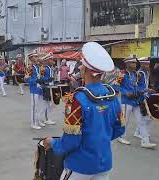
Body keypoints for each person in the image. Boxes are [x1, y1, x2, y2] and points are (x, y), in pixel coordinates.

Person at [43, 42, 125, 180]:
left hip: (80, 165)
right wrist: (98, 139)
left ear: (86, 71)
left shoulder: (78, 98)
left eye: (82, 65)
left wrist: (52, 143)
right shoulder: (111, 95)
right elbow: (119, 129)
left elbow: (72, 141)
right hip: (104, 163)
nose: (79, 67)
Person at [113, 55, 155, 148]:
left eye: (135, 62)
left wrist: (146, 90)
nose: (135, 64)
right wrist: (125, 92)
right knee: (125, 121)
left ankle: (145, 141)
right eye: (133, 62)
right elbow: (115, 85)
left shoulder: (137, 74)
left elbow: (140, 86)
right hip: (126, 101)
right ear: (127, 64)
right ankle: (121, 136)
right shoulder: (122, 74)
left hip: (136, 100)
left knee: (141, 121)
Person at [134, 57, 157, 148]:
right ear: (142, 64)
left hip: (145, 97)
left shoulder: (146, 73)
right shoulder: (139, 74)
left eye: (148, 64)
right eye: (146, 64)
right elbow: (135, 88)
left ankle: (138, 132)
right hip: (139, 99)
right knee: (145, 119)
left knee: (146, 118)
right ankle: (144, 140)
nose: (148, 66)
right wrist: (146, 90)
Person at [25, 50, 43, 130]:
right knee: (34, 107)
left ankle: (37, 120)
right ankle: (33, 123)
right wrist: (36, 81)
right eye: (35, 57)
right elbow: (26, 79)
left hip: (39, 89)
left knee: (38, 107)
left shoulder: (37, 67)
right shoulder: (30, 67)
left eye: (37, 56)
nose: (37, 58)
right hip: (34, 90)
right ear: (31, 58)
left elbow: (39, 77)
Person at [40, 53, 56, 125]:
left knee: (49, 104)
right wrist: (48, 79)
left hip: (50, 87)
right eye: (51, 59)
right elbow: (41, 78)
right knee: (45, 104)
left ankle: (47, 118)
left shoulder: (50, 68)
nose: (52, 61)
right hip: (46, 87)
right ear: (47, 60)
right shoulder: (44, 68)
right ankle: (40, 119)